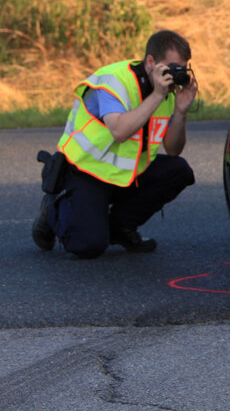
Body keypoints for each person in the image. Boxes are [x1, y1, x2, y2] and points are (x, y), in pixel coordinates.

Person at [31, 30, 198, 258]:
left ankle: (120, 228)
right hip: (87, 170)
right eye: (172, 67)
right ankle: (52, 208)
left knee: (178, 170)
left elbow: (173, 149)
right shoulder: (114, 80)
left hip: (126, 173)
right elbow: (120, 131)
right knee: (87, 246)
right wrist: (157, 95)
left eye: (182, 68)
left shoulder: (166, 91)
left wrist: (180, 112)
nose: (175, 75)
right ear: (150, 62)